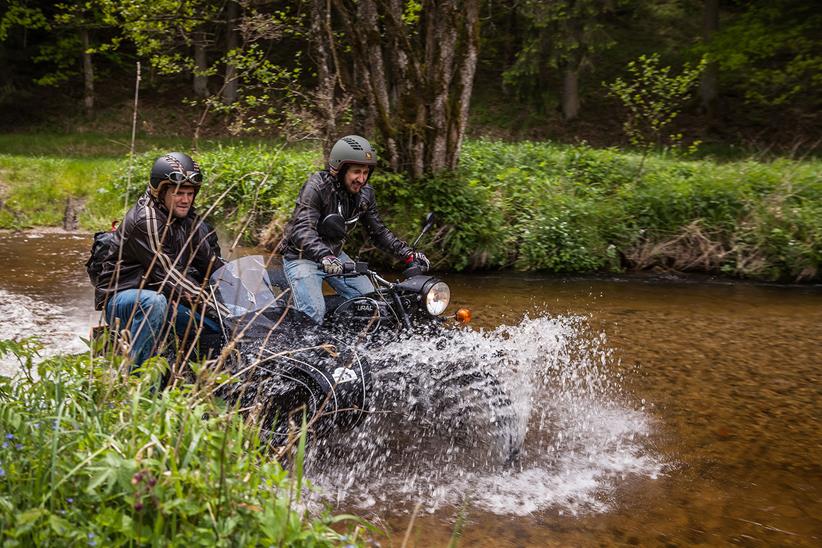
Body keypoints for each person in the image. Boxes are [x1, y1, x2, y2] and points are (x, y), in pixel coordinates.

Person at [278, 135, 429, 324]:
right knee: (313, 312)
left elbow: (379, 233)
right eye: (356, 172)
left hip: (336, 257)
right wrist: (325, 255)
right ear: (339, 170)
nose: (361, 179)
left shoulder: (365, 194)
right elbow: (302, 230)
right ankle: (303, 351)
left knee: (372, 303)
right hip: (302, 258)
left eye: (366, 172)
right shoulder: (317, 186)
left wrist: (408, 254)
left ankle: (354, 344)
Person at [94, 152, 225, 367]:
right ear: (161, 191)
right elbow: (170, 275)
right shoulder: (146, 220)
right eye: (179, 193)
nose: (185, 200)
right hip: (124, 299)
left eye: (190, 193)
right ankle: (139, 383)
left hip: (165, 294)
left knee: (214, 327)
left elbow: (211, 262)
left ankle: (194, 379)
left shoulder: (188, 218)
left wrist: (243, 292)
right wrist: (212, 305)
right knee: (153, 303)